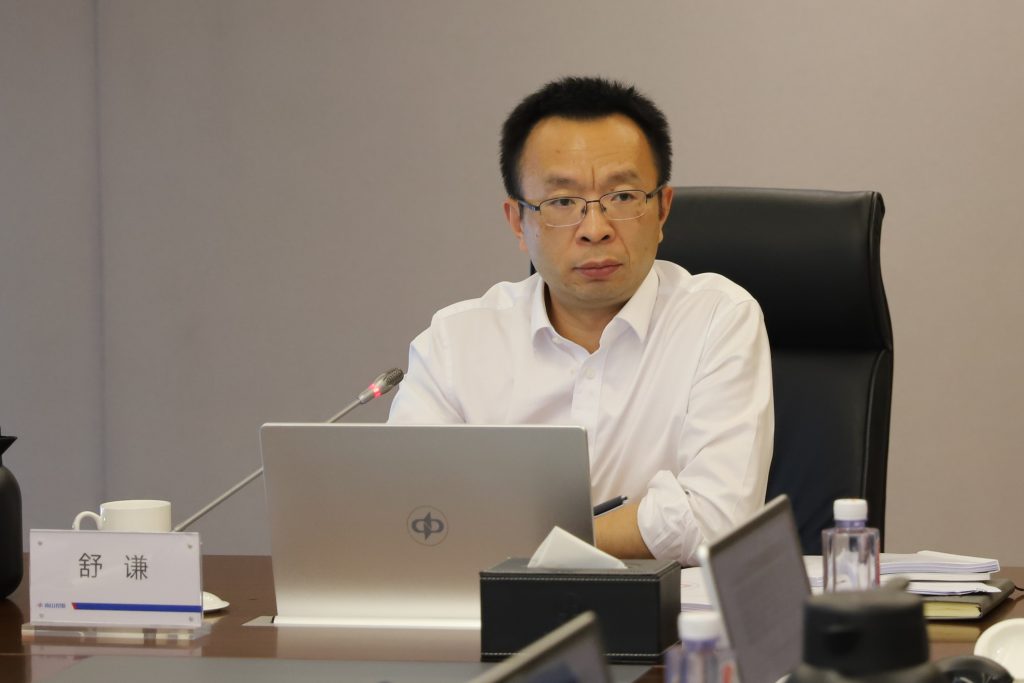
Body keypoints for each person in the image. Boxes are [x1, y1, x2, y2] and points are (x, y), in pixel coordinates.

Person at [388, 76, 773, 565]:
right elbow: (408, 513)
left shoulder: (718, 319)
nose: (595, 229)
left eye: (623, 196)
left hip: (662, 611)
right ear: (517, 221)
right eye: (562, 203)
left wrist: (515, 539)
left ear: (662, 210)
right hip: (492, 610)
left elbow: (717, 518)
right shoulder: (455, 342)